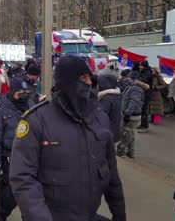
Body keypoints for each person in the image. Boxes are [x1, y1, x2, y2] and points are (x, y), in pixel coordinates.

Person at [9, 55, 126, 221]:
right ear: (66, 82)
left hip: (89, 215)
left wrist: (119, 213)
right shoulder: (37, 120)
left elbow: (111, 172)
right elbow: (23, 179)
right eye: (82, 77)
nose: (88, 83)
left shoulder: (99, 118)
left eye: (89, 77)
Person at [0, 77, 34, 221]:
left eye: (26, 91)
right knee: (7, 201)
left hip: (32, 162)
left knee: (31, 205)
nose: (24, 94)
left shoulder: (32, 105)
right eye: (20, 92)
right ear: (12, 92)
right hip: (10, 164)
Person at [117, 71, 148, 159]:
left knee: (125, 134)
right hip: (131, 115)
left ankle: (121, 151)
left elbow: (134, 102)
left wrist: (127, 114)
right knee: (130, 133)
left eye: (129, 77)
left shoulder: (136, 88)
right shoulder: (132, 87)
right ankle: (130, 152)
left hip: (131, 116)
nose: (127, 79)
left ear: (134, 79)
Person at [98, 74, 122, 143]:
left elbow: (100, 119)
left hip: (106, 135)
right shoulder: (117, 96)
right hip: (114, 132)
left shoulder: (106, 99)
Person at [137, 60, 153, 133]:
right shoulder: (144, 71)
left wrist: (138, 80)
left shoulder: (148, 72)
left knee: (144, 110)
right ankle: (142, 124)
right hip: (143, 92)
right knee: (142, 109)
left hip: (147, 93)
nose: (140, 66)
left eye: (141, 65)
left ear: (144, 66)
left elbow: (144, 79)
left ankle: (145, 127)